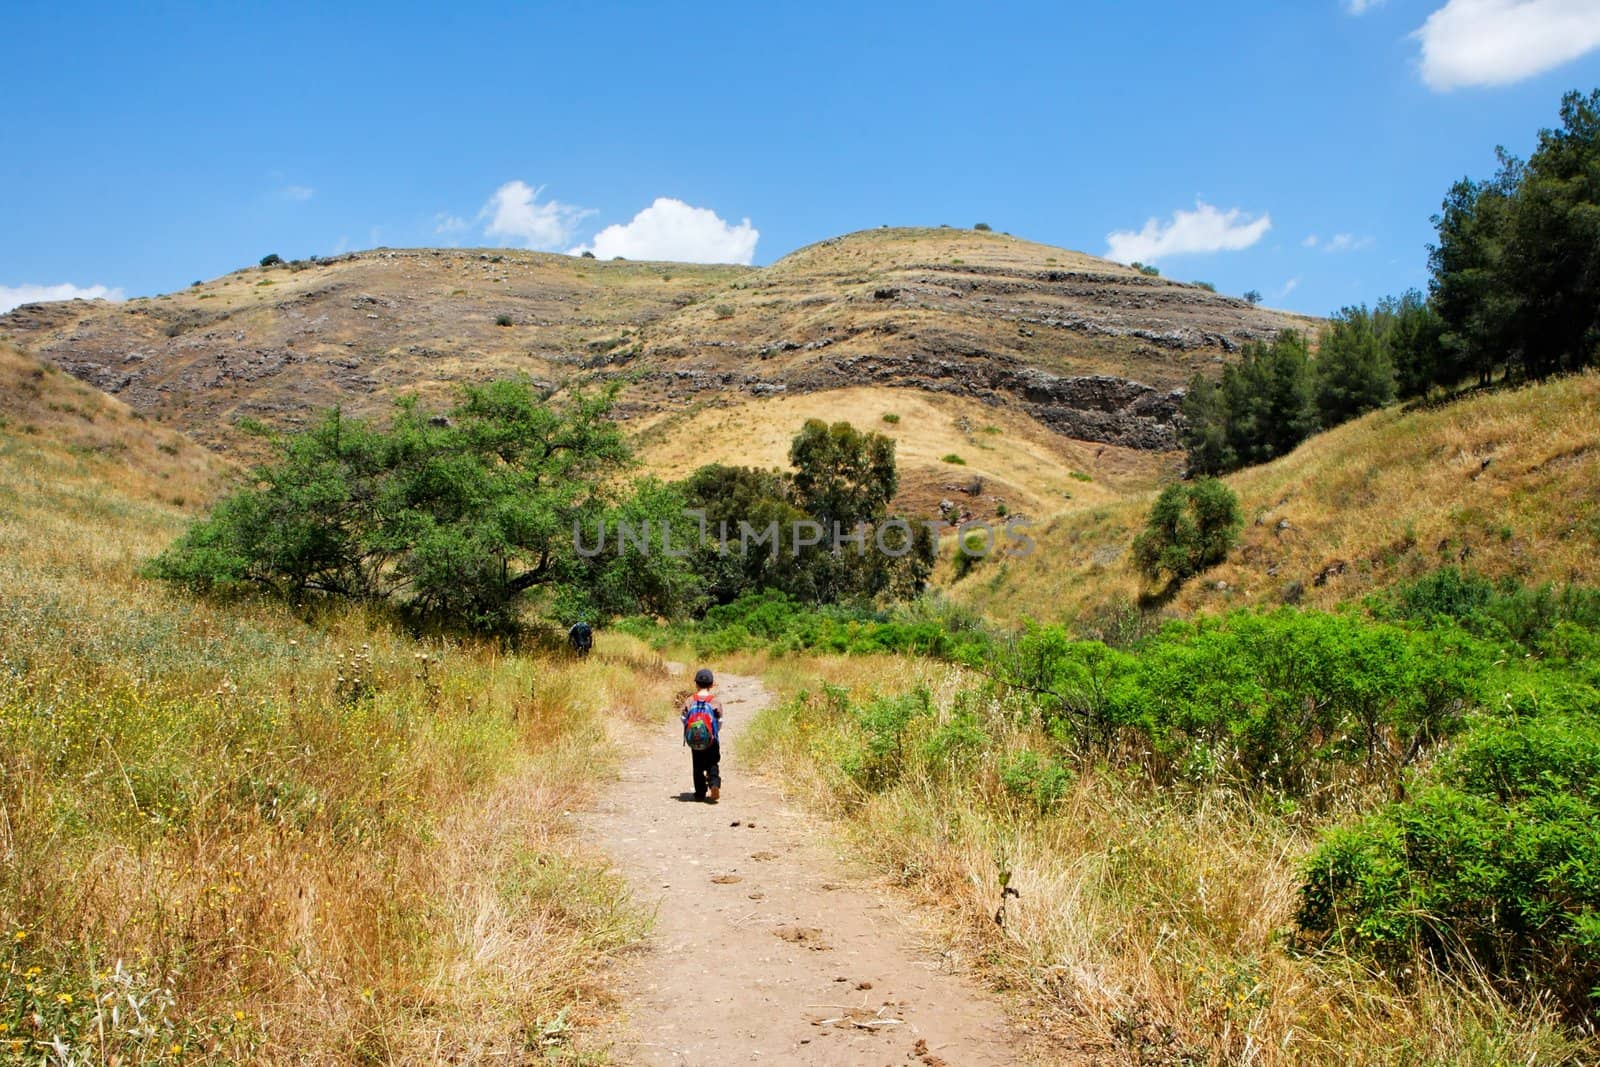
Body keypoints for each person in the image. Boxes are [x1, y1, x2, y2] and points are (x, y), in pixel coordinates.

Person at [681, 667, 723, 802]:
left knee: (697, 766)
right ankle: (714, 784)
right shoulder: (715, 701)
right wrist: (714, 732)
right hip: (711, 740)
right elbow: (720, 720)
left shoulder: (690, 700)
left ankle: (700, 793)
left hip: (695, 740)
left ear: (696, 684)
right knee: (712, 762)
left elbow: (683, 718)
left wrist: (690, 729)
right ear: (711, 685)